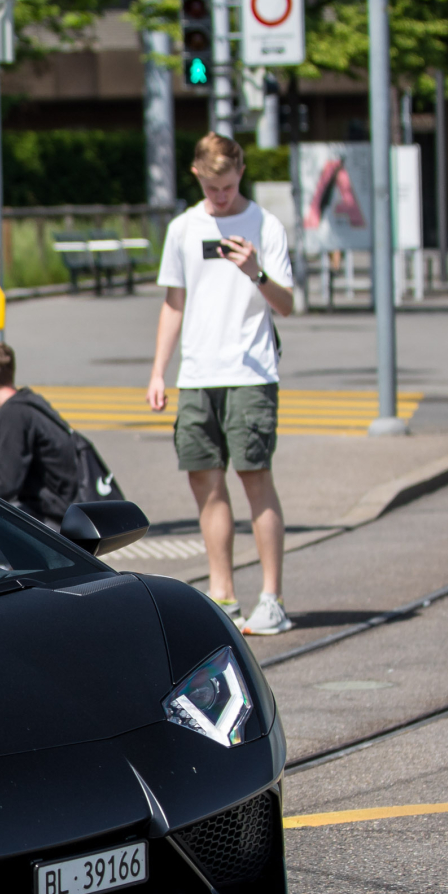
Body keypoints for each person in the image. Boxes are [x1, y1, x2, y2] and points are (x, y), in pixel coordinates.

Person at [146, 133, 296, 635]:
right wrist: (158, 371)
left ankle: (271, 597)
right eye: (212, 188)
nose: (221, 197)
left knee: (256, 480)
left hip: (250, 372)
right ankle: (223, 593)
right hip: (198, 374)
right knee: (205, 485)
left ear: (241, 174)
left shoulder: (265, 225)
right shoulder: (184, 228)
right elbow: (174, 303)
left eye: (228, 186)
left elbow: (288, 303)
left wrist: (256, 272)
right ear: (197, 176)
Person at [0, 342, 82, 525]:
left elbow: (5, 484)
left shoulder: (12, 414)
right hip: (56, 495)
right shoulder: (27, 401)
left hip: (53, 515)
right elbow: (8, 451)